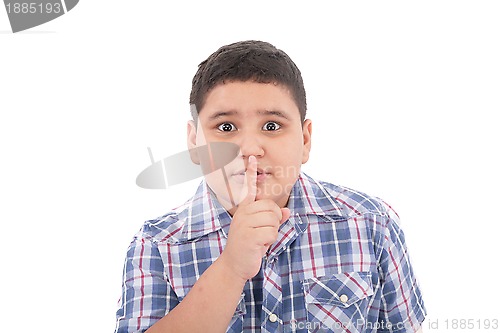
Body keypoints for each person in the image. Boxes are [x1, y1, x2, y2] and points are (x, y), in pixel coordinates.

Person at [114, 40, 426, 333]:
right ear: (195, 144)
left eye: (272, 126)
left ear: (305, 140)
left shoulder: (371, 222)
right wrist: (231, 268)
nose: (249, 148)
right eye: (226, 127)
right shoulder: (155, 244)